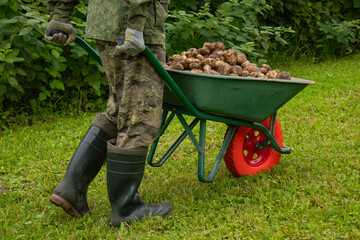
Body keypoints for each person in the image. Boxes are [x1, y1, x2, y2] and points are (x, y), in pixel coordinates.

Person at [44, 0, 172, 227]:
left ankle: (71, 189)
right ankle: (127, 209)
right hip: (133, 25)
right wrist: (135, 24)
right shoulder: (135, 24)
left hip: (105, 23)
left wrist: (60, 15)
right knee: (139, 116)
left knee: (120, 109)